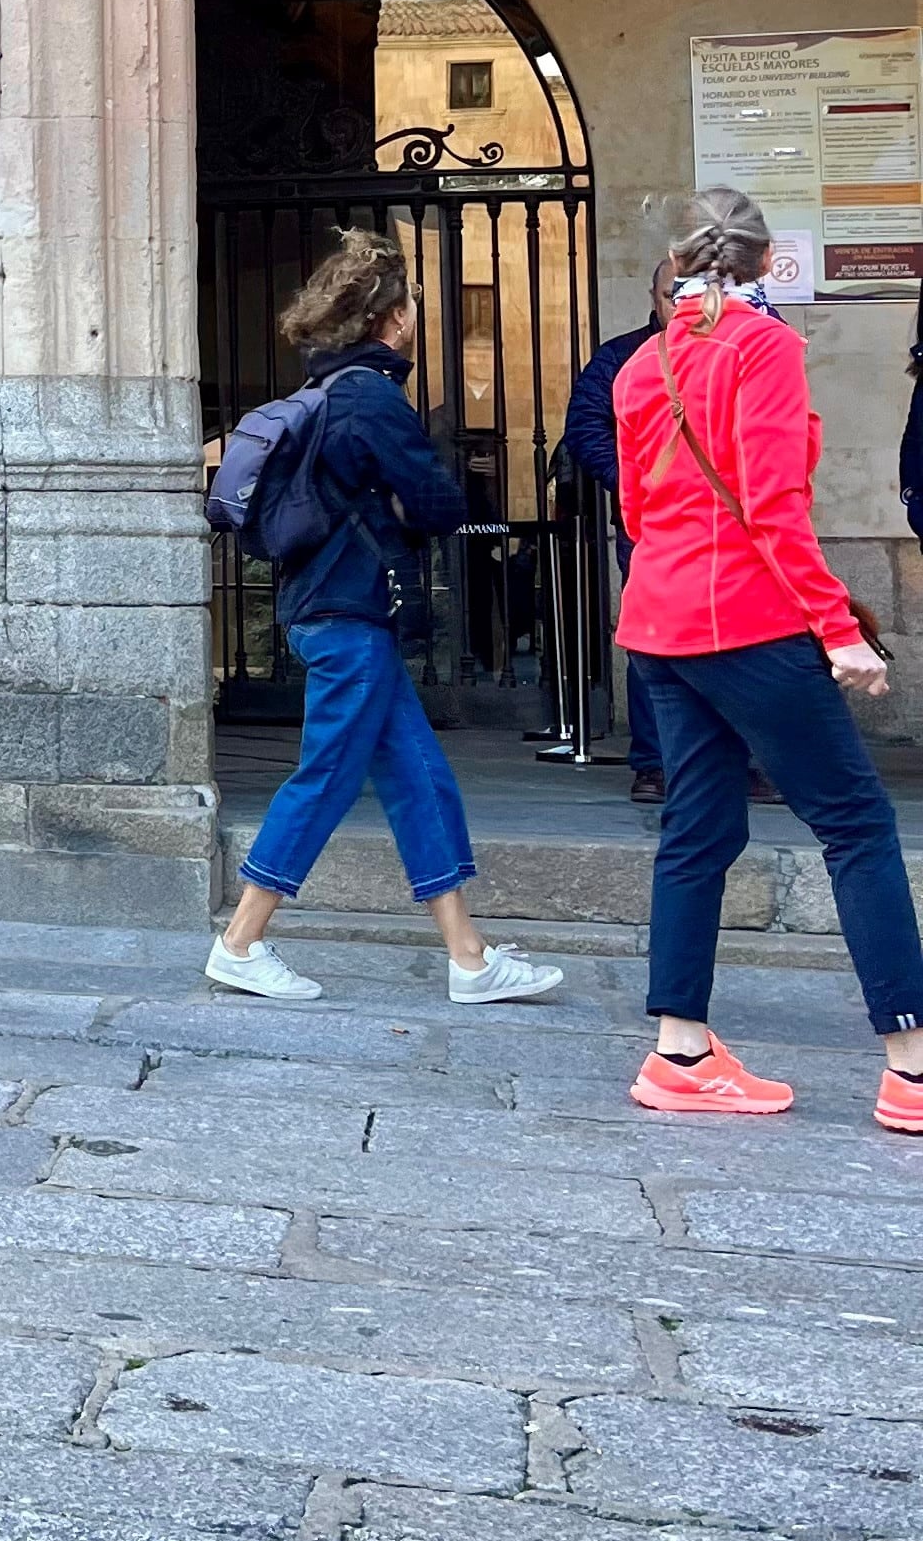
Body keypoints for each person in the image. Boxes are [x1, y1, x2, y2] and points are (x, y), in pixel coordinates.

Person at [613, 185, 923, 1128]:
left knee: (697, 833)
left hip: (661, 621)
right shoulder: (767, 348)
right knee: (857, 825)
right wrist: (836, 629)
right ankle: (912, 1068)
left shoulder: (643, 364)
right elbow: (775, 506)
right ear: (766, 263)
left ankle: (681, 1053)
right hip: (746, 619)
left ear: (677, 266)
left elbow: (634, 512)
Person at [209, 228, 563, 1011]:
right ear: (391, 319)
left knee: (420, 780)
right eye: (407, 307)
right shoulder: (371, 397)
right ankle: (239, 942)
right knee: (328, 776)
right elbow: (440, 501)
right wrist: (411, 499)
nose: (411, 319)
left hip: (331, 608)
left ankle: (469, 959)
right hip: (349, 616)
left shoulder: (327, 393)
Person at [561, 263, 678, 800]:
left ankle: (732, 760)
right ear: (652, 297)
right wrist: (631, 483)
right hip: (647, 524)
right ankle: (653, 763)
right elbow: (585, 426)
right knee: (651, 641)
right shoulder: (620, 357)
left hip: (721, 530)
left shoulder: (735, 353)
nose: (679, 304)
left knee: (731, 645)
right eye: (669, 294)